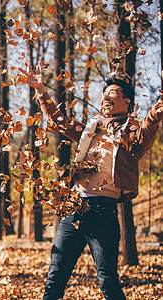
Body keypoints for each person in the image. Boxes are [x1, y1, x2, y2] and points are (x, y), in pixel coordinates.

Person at [20, 66, 162, 300]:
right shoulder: (91, 129)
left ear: (126, 102)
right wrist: (40, 89)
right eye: (104, 92)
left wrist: (158, 105)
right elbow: (60, 122)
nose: (105, 96)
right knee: (55, 278)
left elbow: (148, 129)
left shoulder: (133, 133)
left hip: (104, 212)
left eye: (113, 92)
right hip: (74, 209)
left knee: (108, 281)